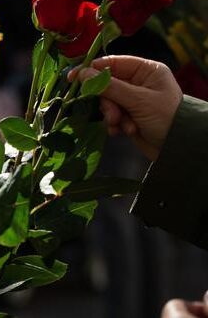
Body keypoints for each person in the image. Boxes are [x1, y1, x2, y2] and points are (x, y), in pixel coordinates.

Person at [72, 55, 208, 318]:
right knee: (147, 215)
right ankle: (153, 302)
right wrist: (178, 125)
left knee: (121, 221)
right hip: (137, 113)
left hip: (100, 122)